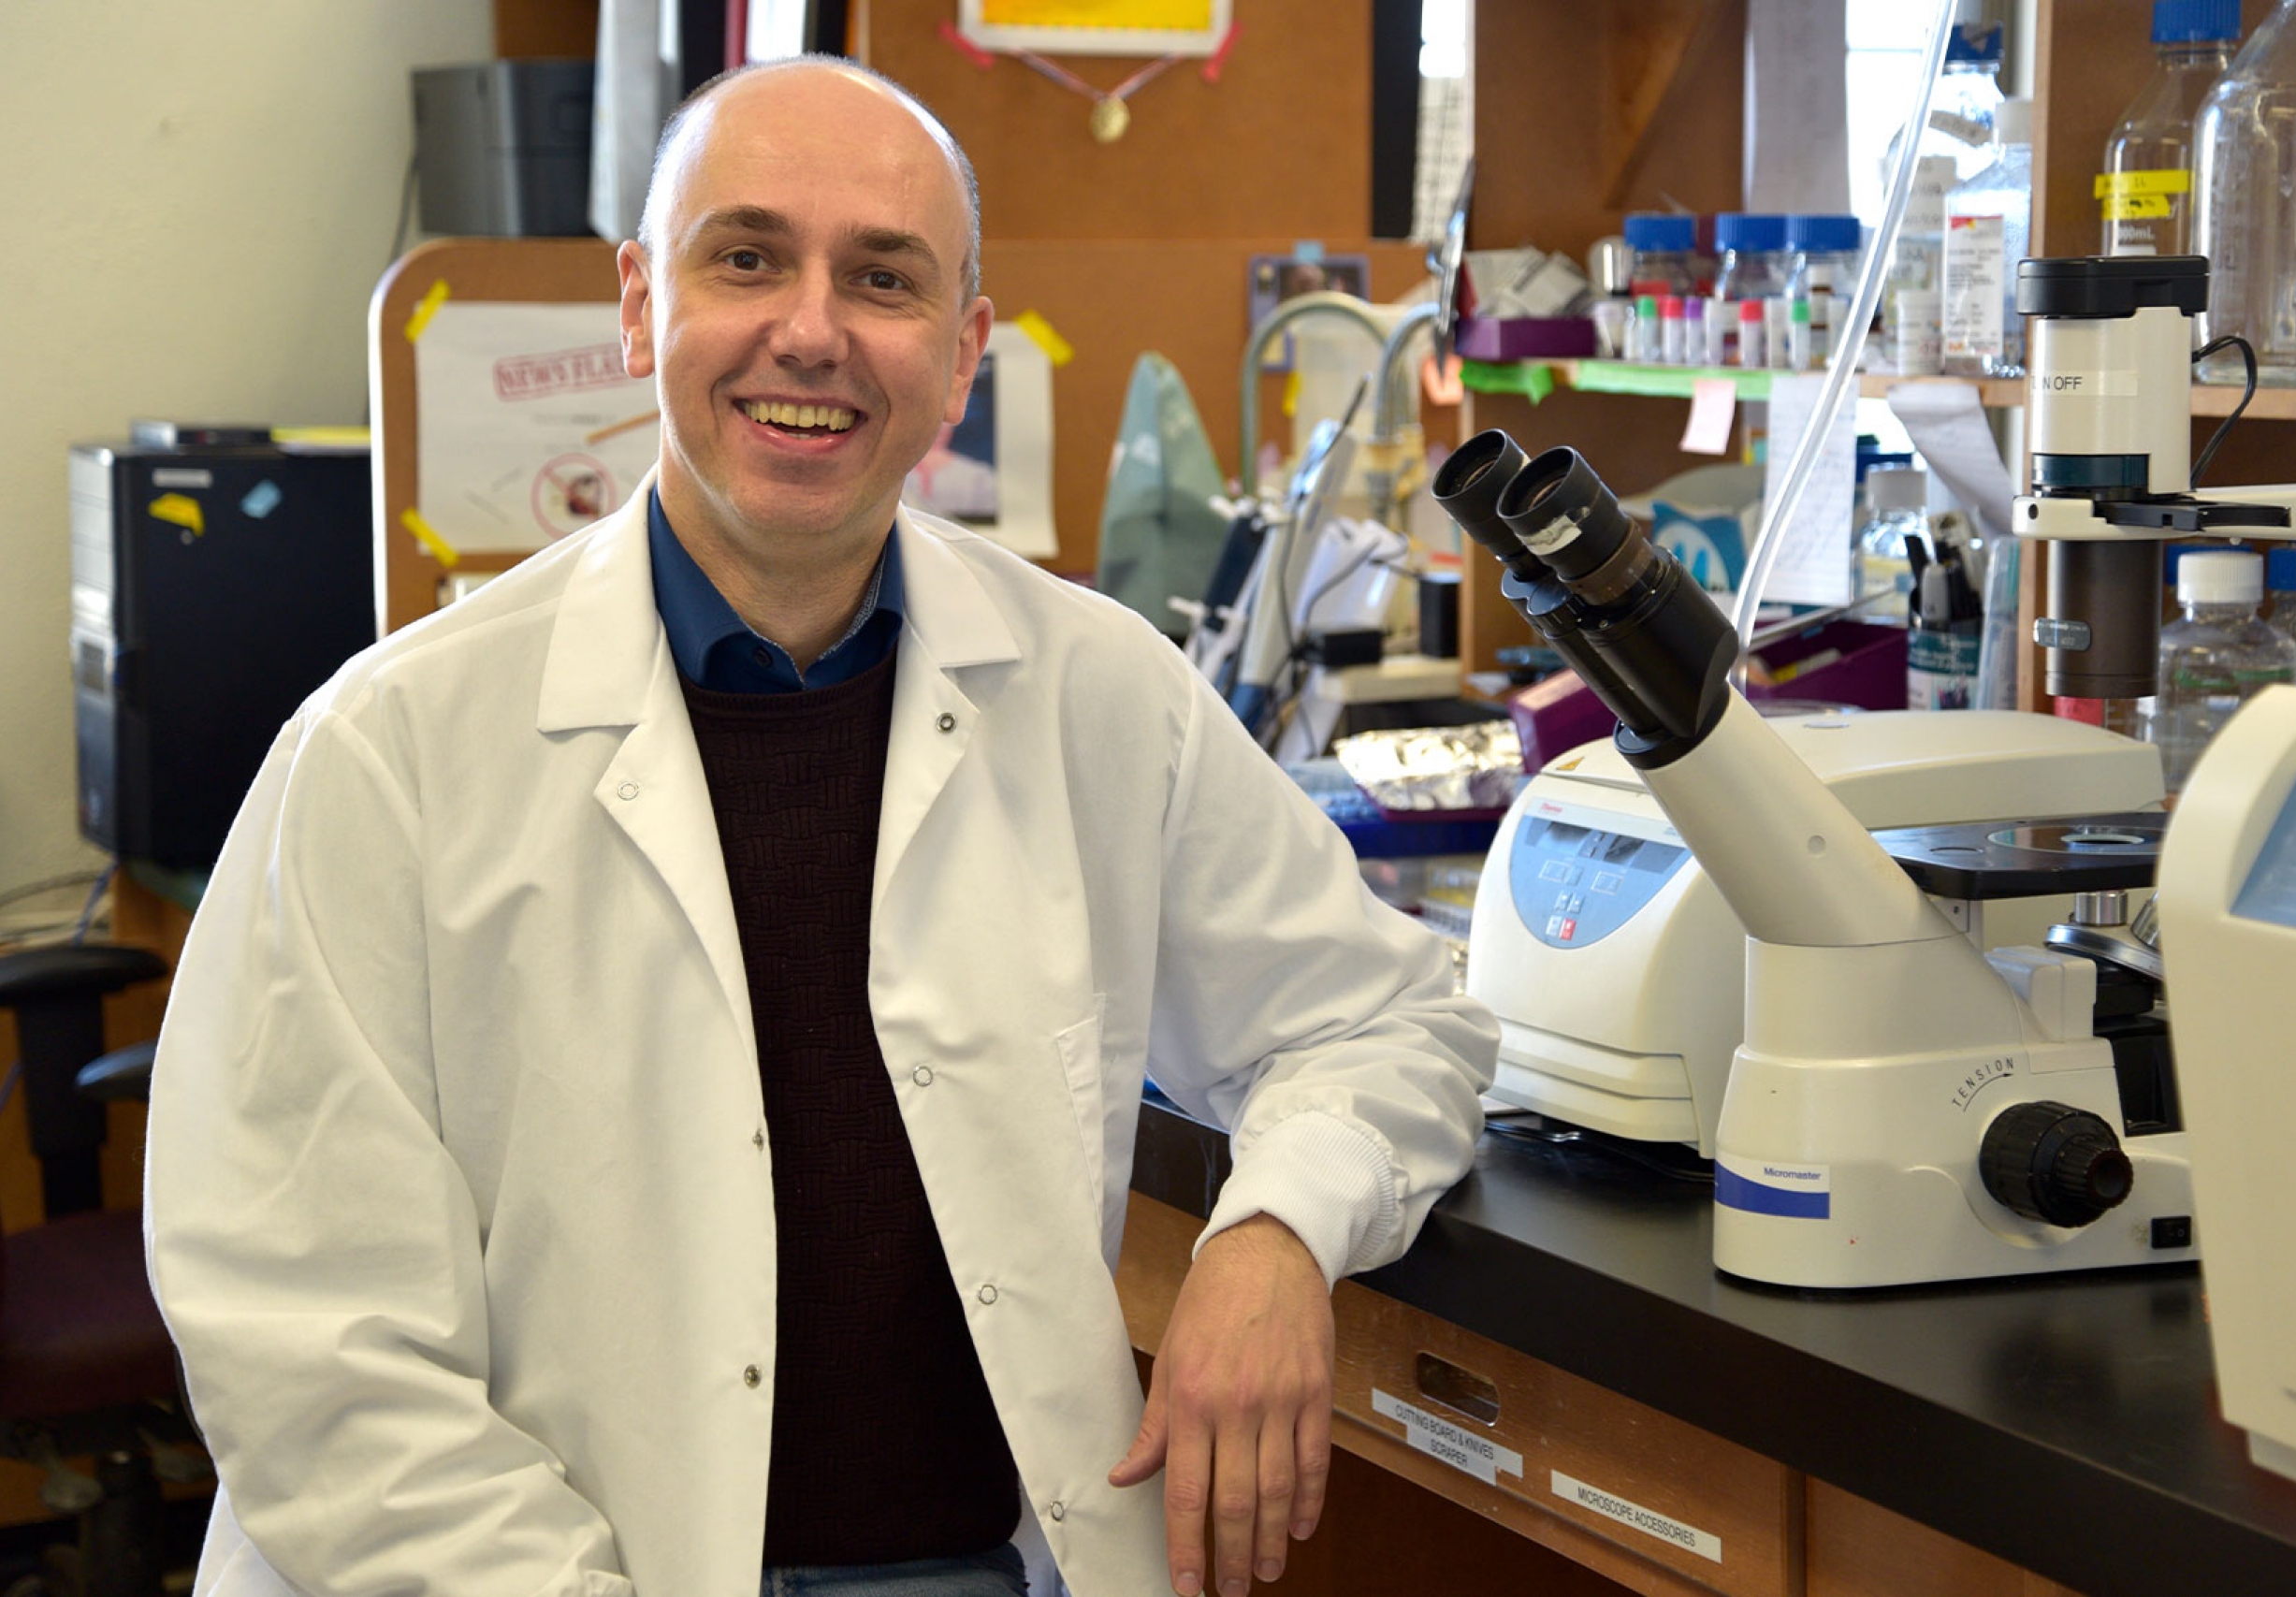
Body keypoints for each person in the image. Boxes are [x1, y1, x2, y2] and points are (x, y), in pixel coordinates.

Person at [146, 56, 1493, 1597]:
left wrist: (1275, 1233)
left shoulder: (1097, 693)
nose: (812, 329)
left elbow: (1393, 1021)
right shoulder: (388, 751)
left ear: (964, 350)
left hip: (978, 1564)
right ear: (643, 307)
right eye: (747, 258)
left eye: (884, 277)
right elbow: (311, 1340)